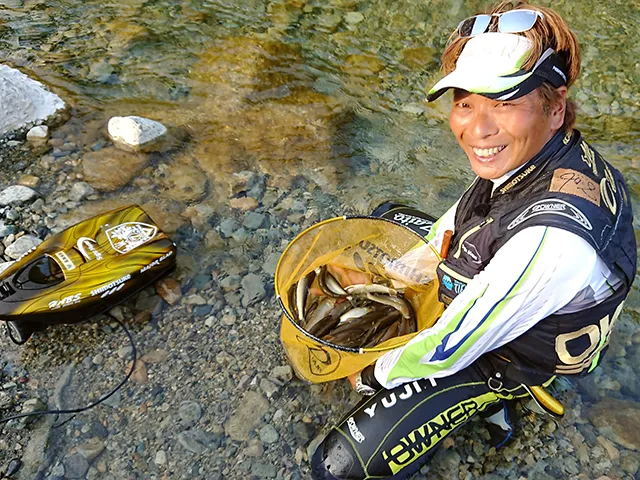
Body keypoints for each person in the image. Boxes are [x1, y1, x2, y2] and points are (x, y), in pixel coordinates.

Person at [310, 2, 637, 479]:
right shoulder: (543, 155)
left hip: (511, 353)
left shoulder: (551, 242)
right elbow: (465, 214)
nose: (477, 129)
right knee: (387, 218)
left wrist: (372, 376)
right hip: (512, 283)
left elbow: (452, 346)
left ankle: (497, 405)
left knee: (335, 468)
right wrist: (399, 274)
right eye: (465, 102)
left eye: (504, 103)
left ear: (556, 106)